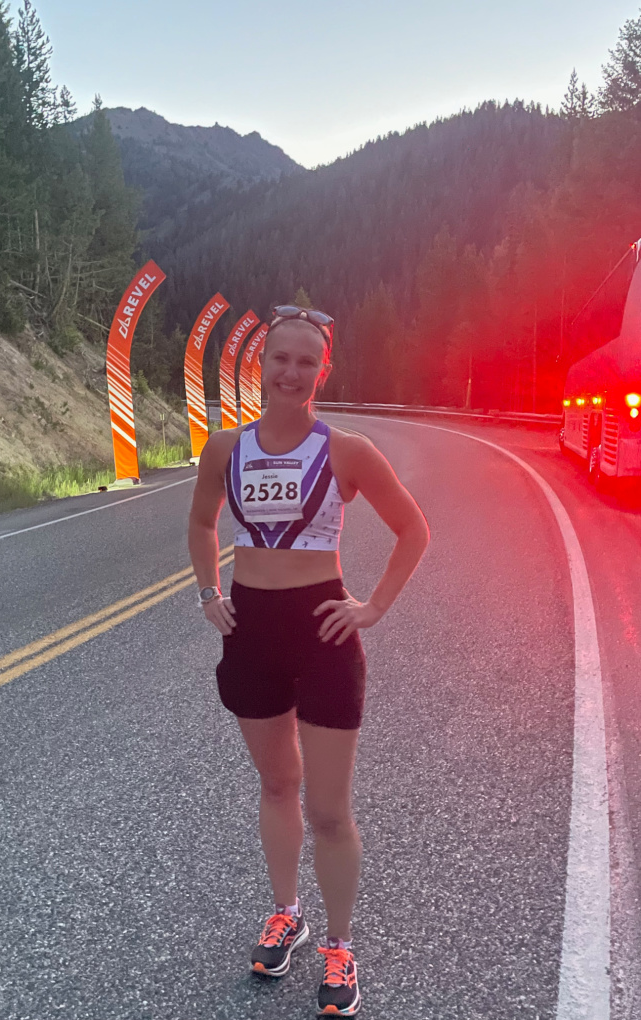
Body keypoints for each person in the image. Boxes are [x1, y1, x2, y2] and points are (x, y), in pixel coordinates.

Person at [188, 305, 429, 1017]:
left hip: (323, 631)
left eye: (305, 362)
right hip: (251, 631)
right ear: (261, 365)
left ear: (323, 372)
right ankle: (285, 913)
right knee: (275, 785)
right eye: (280, 359)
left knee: (327, 809)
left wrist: (373, 607)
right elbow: (201, 522)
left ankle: (340, 946)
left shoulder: (347, 450)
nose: (290, 373)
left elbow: (413, 529)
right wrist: (208, 592)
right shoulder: (224, 449)